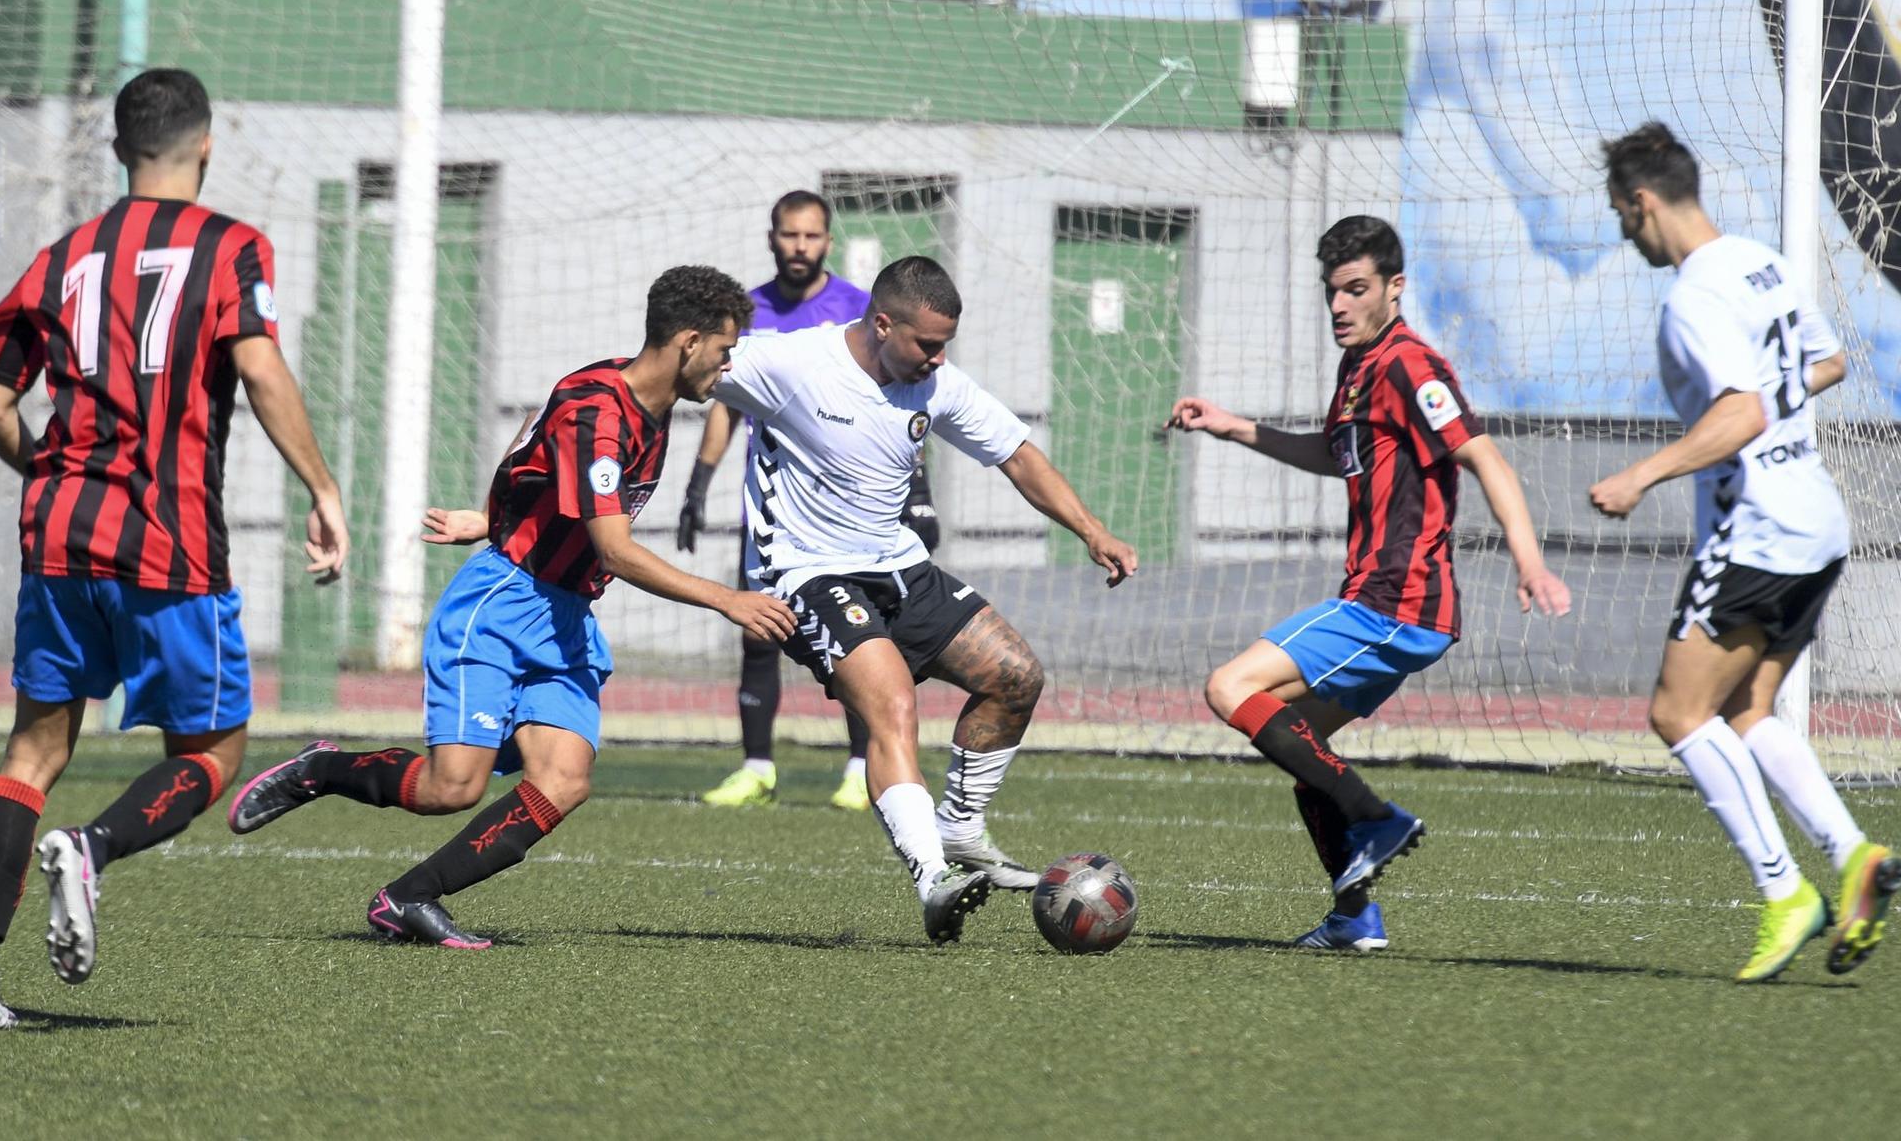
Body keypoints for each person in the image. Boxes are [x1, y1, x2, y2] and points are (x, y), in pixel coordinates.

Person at [0, 68, 348, 1030]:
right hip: (168, 543)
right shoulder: (232, 245)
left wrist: (50, 471)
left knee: (33, 752)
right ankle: (94, 849)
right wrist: (323, 489)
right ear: (207, 146)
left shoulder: (63, 255)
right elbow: (259, 368)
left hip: (58, 538)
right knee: (213, 750)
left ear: (120, 151)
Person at [226, 265, 796, 949]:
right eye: (725, 350)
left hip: (566, 620)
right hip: (501, 606)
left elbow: (528, 443)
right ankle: (321, 769)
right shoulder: (598, 407)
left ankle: (409, 897)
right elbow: (613, 548)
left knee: (564, 779)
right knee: (451, 789)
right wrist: (724, 599)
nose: (728, 365)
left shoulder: (648, 403)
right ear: (687, 341)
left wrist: (495, 515)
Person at [1168, 214, 1571, 953]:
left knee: (1228, 688)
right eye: (1333, 292)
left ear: (1396, 287)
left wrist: (1530, 561)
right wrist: (1232, 426)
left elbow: (1489, 461)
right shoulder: (1360, 365)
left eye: (1357, 289)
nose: (1340, 306)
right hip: (1389, 606)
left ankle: (1379, 818)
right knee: (1305, 756)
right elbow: (1335, 454)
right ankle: (1354, 918)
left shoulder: (1410, 366)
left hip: (1395, 602)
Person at [712, 255, 1138, 943]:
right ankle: (932, 877)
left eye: (946, 346)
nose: (938, 360)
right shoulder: (789, 364)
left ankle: (961, 831)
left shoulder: (936, 383)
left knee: (1015, 675)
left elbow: (1019, 456)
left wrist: (1092, 531)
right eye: (927, 344)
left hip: (900, 565)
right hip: (809, 574)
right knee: (895, 707)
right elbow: (678, 370)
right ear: (883, 324)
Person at [1589, 122, 1898, 982]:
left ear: (1644, 203)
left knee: (1678, 715)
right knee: (1747, 711)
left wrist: (1641, 476)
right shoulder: (1760, 260)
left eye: (1621, 214)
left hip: (1753, 531)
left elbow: (1739, 416)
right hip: (1816, 523)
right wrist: (1764, 402)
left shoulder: (1692, 297)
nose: (1624, 231)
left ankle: (1784, 893)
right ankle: (1853, 855)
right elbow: (1829, 362)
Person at [677, 191, 919, 812]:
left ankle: (861, 768)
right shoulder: (748, 310)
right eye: (790, 235)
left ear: (827, 242)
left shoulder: (860, 310)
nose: (800, 247)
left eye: (811, 236)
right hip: (771, 510)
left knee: (861, 639)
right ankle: (757, 767)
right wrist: (698, 485)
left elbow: (898, 403)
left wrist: (918, 494)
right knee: (758, 631)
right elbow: (725, 401)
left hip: (849, 507)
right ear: (772, 237)